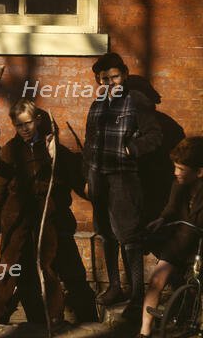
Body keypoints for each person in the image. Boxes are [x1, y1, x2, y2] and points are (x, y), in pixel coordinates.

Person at [0, 99, 78, 326]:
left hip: (45, 215)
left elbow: (66, 178)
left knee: (47, 263)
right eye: (19, 125)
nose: (24, 129)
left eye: (28, 124)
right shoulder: (10, 150)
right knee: (9, 262)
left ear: (38, 121)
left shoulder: (51, 148)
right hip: (15, 215)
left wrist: (55, 155)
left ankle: (54, 314)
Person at [83, 52, 162, 321]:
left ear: (124, 75)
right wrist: (87, 176)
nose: (110, 82)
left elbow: (155, 136)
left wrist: (132, 149)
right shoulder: (97, 104)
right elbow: (89, 143)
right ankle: (116, 287)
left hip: (124, 179)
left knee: (129, 236)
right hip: (98, 177)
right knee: (105, 232)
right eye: (104, 79)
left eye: (115, 76)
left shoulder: (137, 101)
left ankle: (136, 295)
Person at [138, 137, 203, 338]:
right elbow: (172, 208)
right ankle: (144, 331)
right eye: (175, 167)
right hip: (182, 239)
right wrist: (161, 220)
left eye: (181, 169)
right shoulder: (178, 185)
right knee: (157, 279)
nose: (175, 172)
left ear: (199, 172)